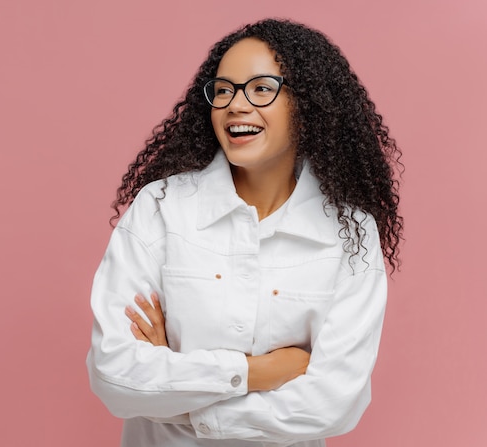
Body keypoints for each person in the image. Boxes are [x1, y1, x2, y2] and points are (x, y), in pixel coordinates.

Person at [86, 18, 403, 447]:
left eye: (261, 88)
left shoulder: (351, 233)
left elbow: (334, 402)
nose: (236, 104)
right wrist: (260, 372)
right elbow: (115, 375)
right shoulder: (160, 208)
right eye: (223, 90)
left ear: (307, 103)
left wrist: (173, 387)